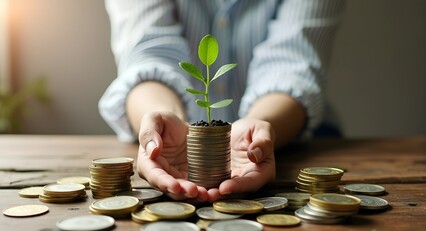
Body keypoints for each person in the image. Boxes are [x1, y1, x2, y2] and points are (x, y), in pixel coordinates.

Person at [99, 0, 345, 202]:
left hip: (291, 134)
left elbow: (293, 62)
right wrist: (159, 120)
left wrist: (259, 128)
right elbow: (148, 54)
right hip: (173, 147)